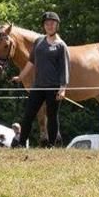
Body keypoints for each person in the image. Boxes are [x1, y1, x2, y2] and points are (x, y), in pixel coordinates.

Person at [14, 11, 69, 147]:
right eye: (47, 24)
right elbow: (31, 61)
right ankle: (21, 144)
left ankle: (51, 144)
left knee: (52, 116)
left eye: (52, 24)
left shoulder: (61, 45)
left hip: (53, 87)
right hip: (37, 86)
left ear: (57, 25)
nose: (49, 26)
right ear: (44, 26)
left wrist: (62, 89)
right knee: (28, 115)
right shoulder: (39, 41)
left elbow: (64, 68)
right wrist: (21, 77)